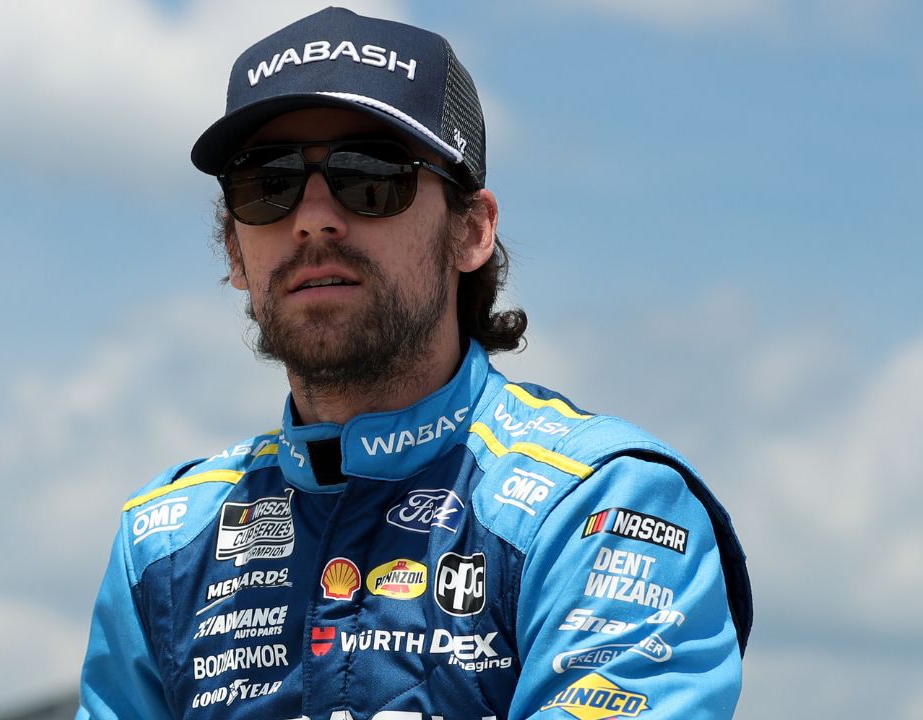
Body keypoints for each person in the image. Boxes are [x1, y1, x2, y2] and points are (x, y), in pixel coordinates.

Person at [76, 7, 751, 719]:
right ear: (235, 252)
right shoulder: (163, 541)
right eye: (266, 184)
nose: (312, 218)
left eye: (369, 176)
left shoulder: (601, 507)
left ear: (471, 230)